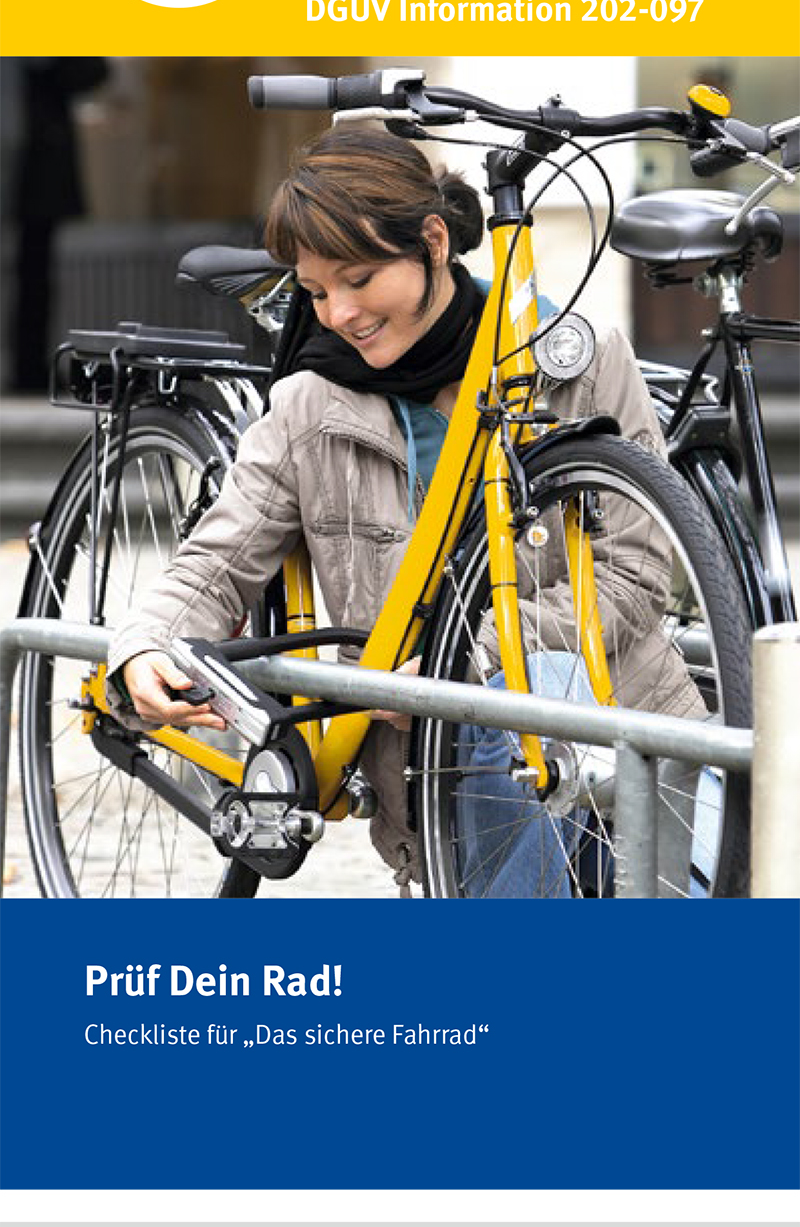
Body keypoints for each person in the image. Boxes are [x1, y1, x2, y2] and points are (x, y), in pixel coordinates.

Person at [107, 125, 704, 895]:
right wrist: (144, 643)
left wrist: (467, 650)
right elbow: (218, 562)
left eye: (358, 279)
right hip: (454, 765)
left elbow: (637, 571)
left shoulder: (579, 364)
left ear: (430, 242)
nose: (338, 314)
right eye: (317, 292)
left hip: (625, 730)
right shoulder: (309, 403)